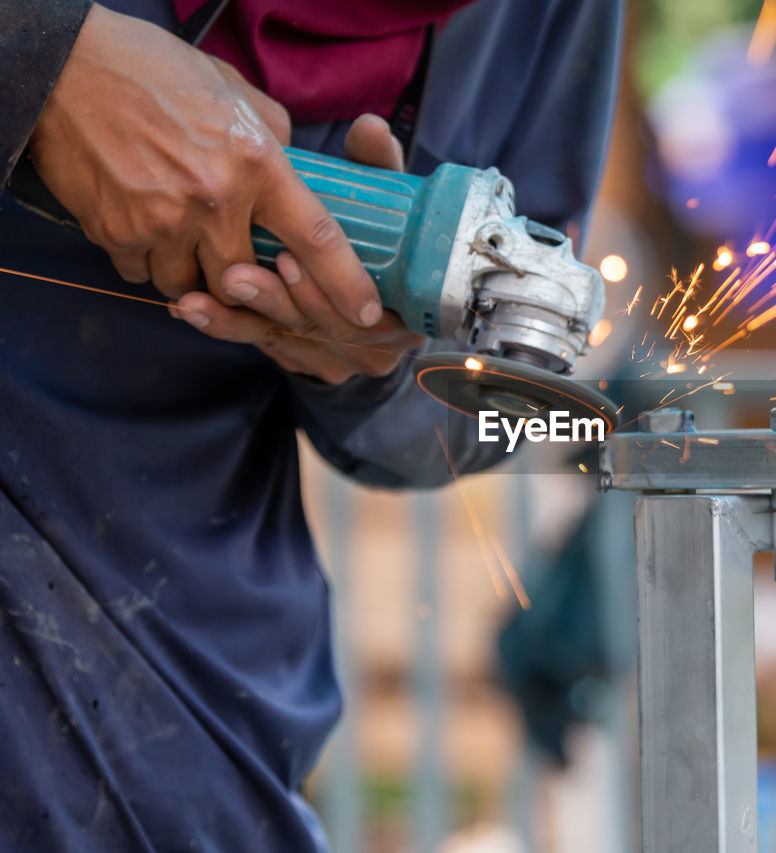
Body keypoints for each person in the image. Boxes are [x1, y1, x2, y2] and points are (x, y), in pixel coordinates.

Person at [0, 1, 620, 848]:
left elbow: (490, 399)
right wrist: (43, 55)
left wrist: (370, 362)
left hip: (180, 646)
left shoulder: (543, 18)